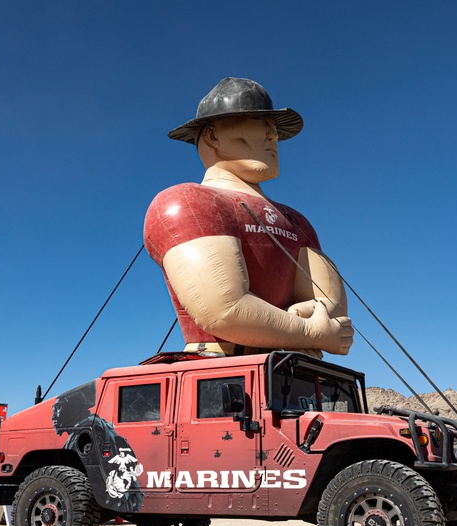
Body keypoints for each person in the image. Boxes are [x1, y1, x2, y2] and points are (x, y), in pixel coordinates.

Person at [144, 77, 354, 358]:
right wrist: (311, 332)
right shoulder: (188, 203)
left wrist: (312, 321)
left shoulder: (296, 221)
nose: (272, 137)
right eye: (258, 123)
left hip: (285, 368)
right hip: (217, 368)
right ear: (212, 136)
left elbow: (335, 314)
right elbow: (225, 310)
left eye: (273, 129)